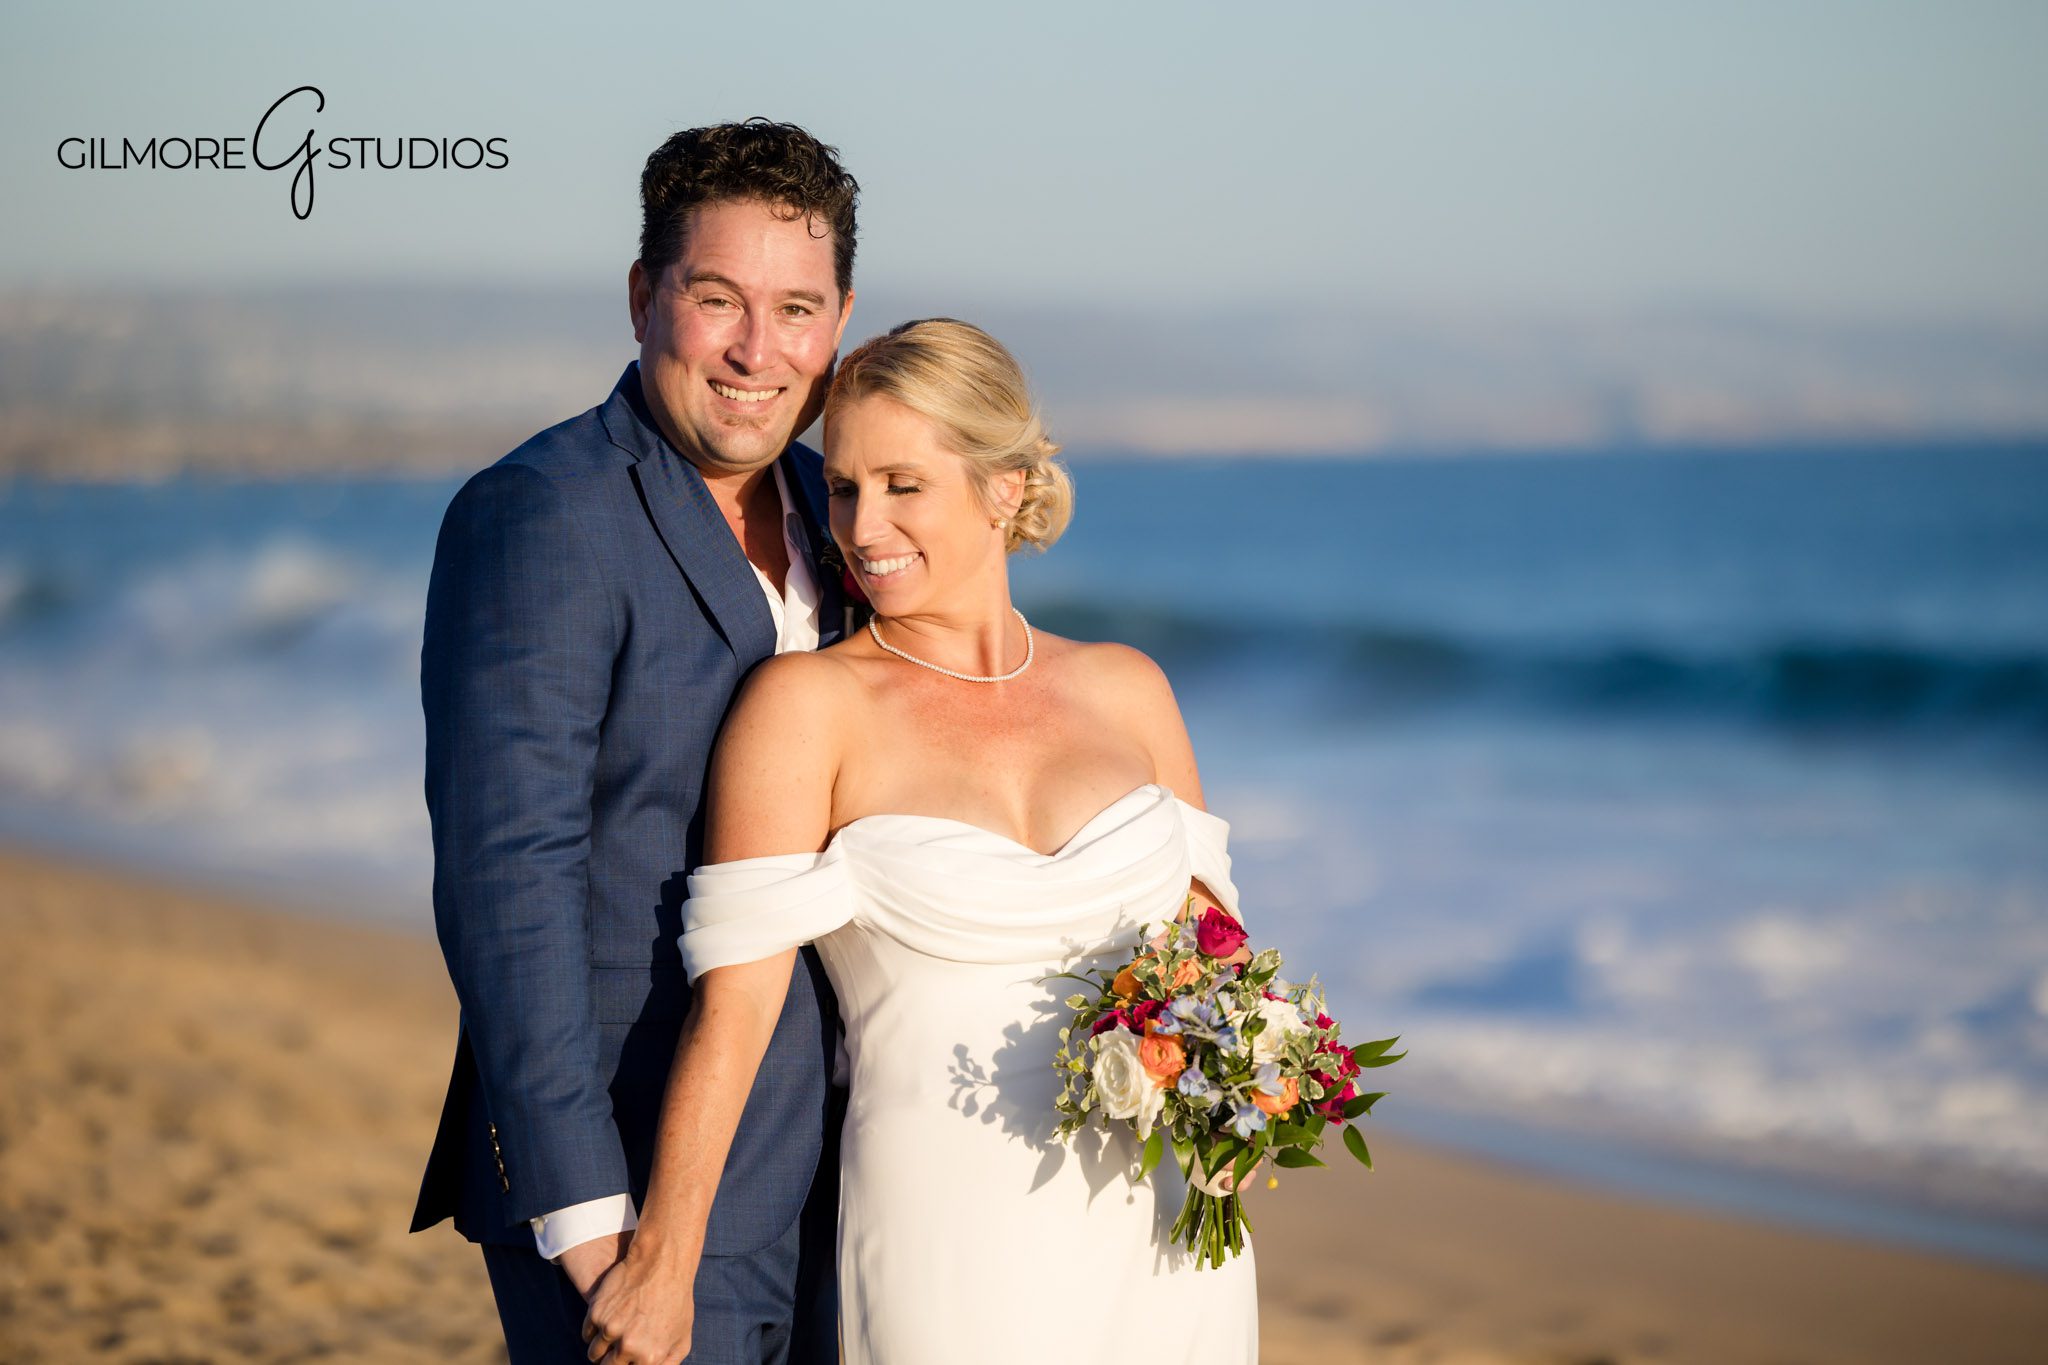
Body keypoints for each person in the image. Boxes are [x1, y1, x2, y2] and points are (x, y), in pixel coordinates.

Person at [582, 319, 1259, 1364]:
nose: (861, 524)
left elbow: (1213, 951)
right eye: (843, 487)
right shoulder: (806, 707)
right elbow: (737, 1004)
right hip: (947, 1230)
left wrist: (1251, 1098)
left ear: (1005, 487)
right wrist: (663, 1262)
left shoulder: (1128, 689)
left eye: (903, 484)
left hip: (1160, 1222)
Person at [409, 119, 859, 1364]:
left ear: (840, 320)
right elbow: (508, 881)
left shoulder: (850, 507)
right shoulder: (543, 514)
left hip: (836, 1187)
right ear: (642, 298)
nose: (755, 351)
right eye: (716, 299)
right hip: (631, 1189)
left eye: (795, 308)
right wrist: (593, 1227)